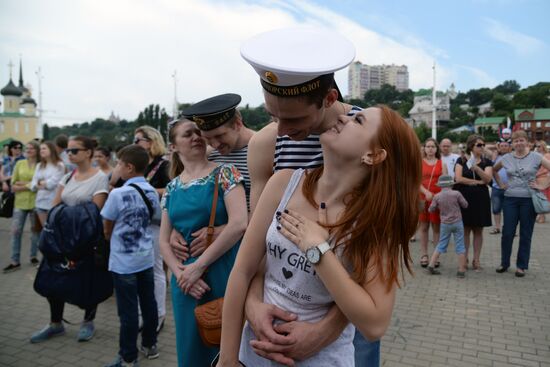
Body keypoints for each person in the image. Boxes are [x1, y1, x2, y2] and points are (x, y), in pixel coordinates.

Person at [217, 105, 421, 367]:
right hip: (253, 354)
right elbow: (242, 270)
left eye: (357, 120)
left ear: (373, 155)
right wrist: (227, 359)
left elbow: (374, 324)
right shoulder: (283, 183)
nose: (341, 118)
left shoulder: (374, 222)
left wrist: (317, 249)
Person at [238, 27, 382, 367]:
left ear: (329, 99)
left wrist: (325, 330)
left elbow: (379, 256)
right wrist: (253, 304)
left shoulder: (372, 138)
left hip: (346, 320)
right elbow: (256, 246)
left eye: (294, 118)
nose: (283, 131)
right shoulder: (264, 145)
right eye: (273, 116)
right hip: (276, 309)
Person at [159, 118, 247, 367]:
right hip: (185, 282)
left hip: (222, 270)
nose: (196, 137)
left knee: (228, 347)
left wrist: (198, 267)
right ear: (173, 145)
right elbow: (164, 242)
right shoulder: (172, 187)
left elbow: (239, 223)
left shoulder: (225, 172)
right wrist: (181, 274)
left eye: (199, 132)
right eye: (188, 134)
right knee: (191, 348)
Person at [30, 136, 109, 343]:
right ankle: (56, 324)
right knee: (54, 280)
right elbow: (54, 207)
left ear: (88, 153)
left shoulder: (100, 178)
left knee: (87, 282)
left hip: (85, 241)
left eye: (74, 150)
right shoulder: (68, 176)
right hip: (61, 240)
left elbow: (94, 212)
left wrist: (65, 213)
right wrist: (71, 213)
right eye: (68, 151)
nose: (69, 154)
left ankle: (88, 322)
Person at [169, 93, 255, 265]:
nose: (215, 145)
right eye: (207, 138)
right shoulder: (211, 156)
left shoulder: (267, 148)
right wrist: (176, 229)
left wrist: (226, 229)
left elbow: (282, 205)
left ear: (238, 123)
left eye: (220, 136)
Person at [102, 145, 160, 366]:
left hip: (123, 261)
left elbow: (107, 224)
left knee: (127, 312)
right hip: (145, 256)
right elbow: (155, 219)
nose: (116, 168)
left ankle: (128, 356)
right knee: (149, 302)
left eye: (118, 163)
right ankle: (150, 344)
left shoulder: (117, 193)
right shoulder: (152, 191)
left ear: (129, 167)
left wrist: (110, 237)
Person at [493, 130, 550, 277]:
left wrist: (543, 186)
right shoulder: (506, 158)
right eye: (516, 141)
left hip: (528, 200)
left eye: (521, 140)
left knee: (526, 233)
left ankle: (521, 266)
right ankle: (504, 263)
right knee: (507, 233)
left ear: (527, 142)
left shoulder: (536, 157)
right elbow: (494, 170)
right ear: (512, 143)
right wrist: (501, 184)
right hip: (510, 199)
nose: (519, 143)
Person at [133, 126, 170, 332]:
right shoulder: (138, 164)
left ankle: (158, 315)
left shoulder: (163, 164)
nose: (135, 143)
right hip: (137, 223)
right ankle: (143, 314)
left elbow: (172, 187)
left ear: (151, 141)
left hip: (156, 223)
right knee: (140, 269)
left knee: (156, 270)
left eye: (138, 139)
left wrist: (146, 190)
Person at [453, 134, 493, 271]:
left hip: (480, 199)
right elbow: (458, 178)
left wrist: (477, 169)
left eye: (483, 144)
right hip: (464, 198)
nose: (482, 147)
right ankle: (464, 259)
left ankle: (476, 260)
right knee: (465, 230)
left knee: (478, 231)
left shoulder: (486, 162)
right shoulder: (461, 160)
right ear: (471, 146)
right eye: (479, 145)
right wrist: (476, 182)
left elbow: (488, 179)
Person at [3, 140, 40, 273]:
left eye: (31, 148)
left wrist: (23, 185)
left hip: (37, 203)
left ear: (37, 150)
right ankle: (15, 261)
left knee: (36, 232)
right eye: (27, 148)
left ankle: (33, 256)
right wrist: (31, 184)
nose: (28, 150)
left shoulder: (41, 165)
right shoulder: (19, 163)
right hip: (20, 202)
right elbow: (13, 184)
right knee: (15, 232)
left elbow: (40, 184)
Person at [426, 175, 468, 278]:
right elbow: (465, 205)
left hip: (445, 224)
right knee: (460, 246)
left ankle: (431, 265)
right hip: (457, 222)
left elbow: (431, 209)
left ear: (440, 185)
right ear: (451, 184)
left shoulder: (437, 196)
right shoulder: (456, 194)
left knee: (441, 244)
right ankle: (461, 270)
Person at [418, 138, 448, 268]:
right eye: (428, 146)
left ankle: (436, 256)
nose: (430, 149)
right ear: (424, 148)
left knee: (437, 228)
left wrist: (440, 195)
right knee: (424, 227)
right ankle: (424, 254)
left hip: (438, 199)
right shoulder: (419, 163)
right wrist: (425, 192)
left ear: (437, 149)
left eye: (433, 147)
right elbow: (415, 181)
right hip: (423, 198)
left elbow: (446, 183)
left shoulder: (442, 164)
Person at [30, 141, 65, 226]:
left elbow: (51, 184)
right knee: (45, 230)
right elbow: (33, 184)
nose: (41, 151)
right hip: (40, 203)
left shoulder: (59, 165)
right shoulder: (39, 165)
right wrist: (41, 183)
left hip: (53, 203)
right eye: (40, 149)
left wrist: (40, 183)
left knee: (53, 230)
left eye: (44, 148)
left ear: (51, 150)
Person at [490, 139, 511, 234]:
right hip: (496, 187)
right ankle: (497, 227)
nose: (503, 147)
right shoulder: (495, 156)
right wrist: (495, 150)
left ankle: (509, 229)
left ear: (509, 147)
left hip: (510, 188)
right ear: (499, 147)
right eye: (502, 146)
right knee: (496, 209)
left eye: (506, 146)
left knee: (510, 210)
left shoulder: (513, 157)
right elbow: (485, 148)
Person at [534, 140, 550, 223]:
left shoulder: (547, 155)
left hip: (543, 178)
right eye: (537, 146)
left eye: (539, 146)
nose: (537, 148)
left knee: (542, 198)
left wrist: (537, 173)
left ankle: (542, 217)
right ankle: (541, 216)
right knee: (540, 197)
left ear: (543, 146)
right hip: (538, 178)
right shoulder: (538, 155)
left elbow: (546, 169)